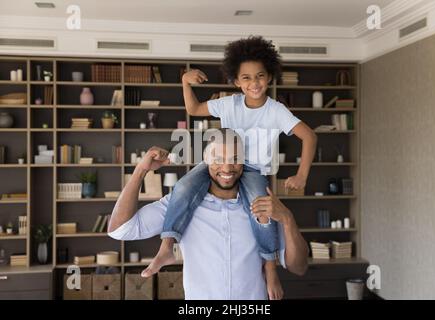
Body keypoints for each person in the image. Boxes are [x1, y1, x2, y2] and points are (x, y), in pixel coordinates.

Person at [143, 36, 317, 299]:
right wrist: (184, 82)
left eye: (259, 76)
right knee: (183, 186)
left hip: (253, 170)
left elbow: (309, 136)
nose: (254, 83)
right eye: (246, 78)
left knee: (262, 213)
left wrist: (302, 175)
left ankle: (270, 272)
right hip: (222, 162)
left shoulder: (276, 111)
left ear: (269, 77)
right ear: (237, 81)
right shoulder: (229, 104)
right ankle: (167, 246)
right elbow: (193, 108)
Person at [108, 131, 309, 299]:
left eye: (234, 159)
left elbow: (299, 267)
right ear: (205, 161)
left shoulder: (264, 204)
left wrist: (288, 219)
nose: (227, 168)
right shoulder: (180, 204)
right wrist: (141, 170)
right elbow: (119, 230)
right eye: (218, 159)